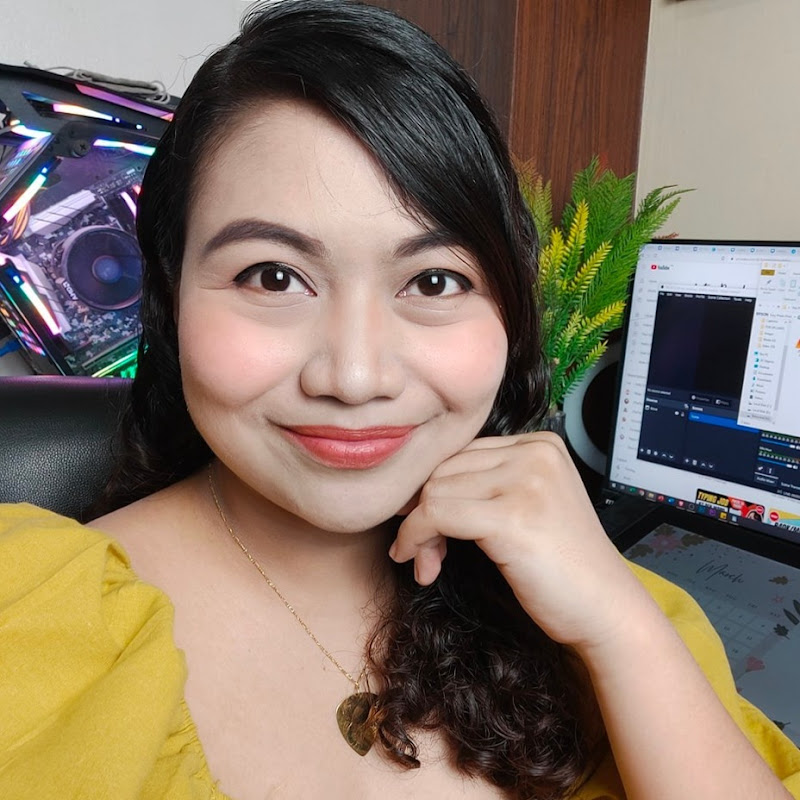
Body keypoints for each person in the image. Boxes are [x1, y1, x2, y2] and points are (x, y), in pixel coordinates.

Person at [1, 1, 799, 798]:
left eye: (434, 281)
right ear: (171, 298)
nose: (355, 378)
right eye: (273, 277)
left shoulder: (606, 600)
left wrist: (621, 630)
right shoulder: (30, 620)